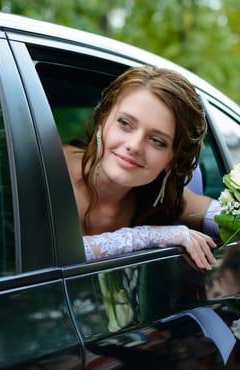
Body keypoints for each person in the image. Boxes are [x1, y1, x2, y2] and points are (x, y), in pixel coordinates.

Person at [62, 65, 220, 270]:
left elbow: (226, 217)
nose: (134, 146)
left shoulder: (159, 196)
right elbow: (49, 257)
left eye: (157, 141)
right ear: (102, 120)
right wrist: (153, 235)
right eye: (125, 123)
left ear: (171, 159)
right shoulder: (48, 170)